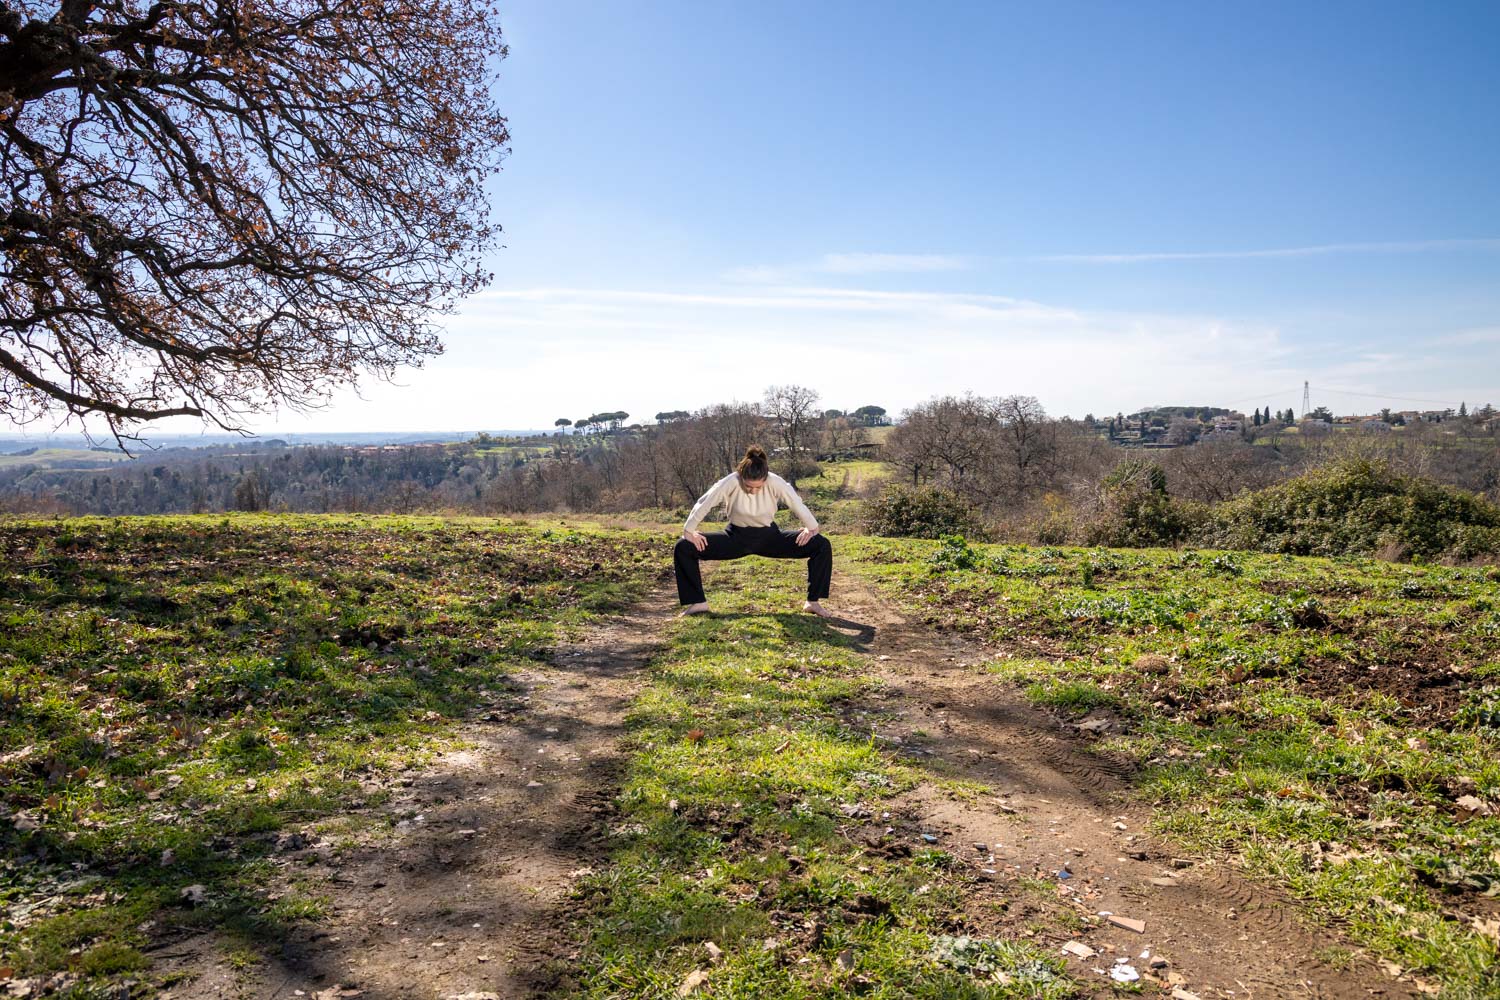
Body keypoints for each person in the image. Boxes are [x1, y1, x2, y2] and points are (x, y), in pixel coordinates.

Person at [674, 445, 833, 617]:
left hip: (770, 538)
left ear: (765, 478)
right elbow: (705, 502)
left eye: (758, 487)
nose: (753, 491)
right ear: (742, 476)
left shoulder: (775, 481)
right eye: (749, 487)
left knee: (821, 545)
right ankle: (698, 602)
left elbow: (796, 503)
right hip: (735, 538)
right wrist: (689, 530)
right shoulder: (731, 481)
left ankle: (812, 602)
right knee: (683, 546)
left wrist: (811, 528)